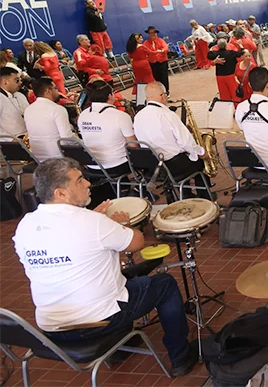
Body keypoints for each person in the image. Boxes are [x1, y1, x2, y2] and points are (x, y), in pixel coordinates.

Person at [13, 158, 197, 375]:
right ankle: (180, 356)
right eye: (79, 181)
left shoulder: (25, 225)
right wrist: (122, 225)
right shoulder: (91, 222)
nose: (88, 184)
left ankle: (118, 348)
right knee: (164, 283)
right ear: (60, 193)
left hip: (50, 327)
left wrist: (97, 220)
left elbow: (67, 245)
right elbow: (136, 242)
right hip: (97, 321)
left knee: (120, 278)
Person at [134, 82, 210, 200]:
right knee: (199, 163)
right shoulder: (168, 114)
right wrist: (201, 152)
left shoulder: (138, 115)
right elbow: (185, 143)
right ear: (162, 95)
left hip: (153, 165)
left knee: (184, 156)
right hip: (172, 165)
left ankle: (187, 194)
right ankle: (205, 197)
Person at [77, 81, 136, 176]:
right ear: (110, 96)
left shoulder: (82, 115)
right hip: (118, 165)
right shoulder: (120, 116)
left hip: (93, 166)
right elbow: (133, 146)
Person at [24, 77, 73, 162]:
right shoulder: (57, 109)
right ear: (48, 91)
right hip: (58, 157)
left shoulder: (28, 110)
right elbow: (66, 140)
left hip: (38, 157)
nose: (58, 92)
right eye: (56, 88)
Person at [0, 67, 28, 137]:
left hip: (27, 135)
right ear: (5, 82)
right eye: (17, 80)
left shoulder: (20, 95)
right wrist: (10, 139)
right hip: (9, 141)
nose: (20, 83)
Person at [143, 27, 170, 94]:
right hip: (153, 62)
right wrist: (155, 52)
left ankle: (166, 91)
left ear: (156, 33)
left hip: (162, 61)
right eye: (150, 33)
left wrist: (162, 51)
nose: (152, 34)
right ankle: (160, 91)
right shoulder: (146, 42)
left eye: (153, 32)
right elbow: (145, 50)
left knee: (164, 77)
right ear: (148, 34)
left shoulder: (160, 40)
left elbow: (165, 48)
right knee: (156, 77)